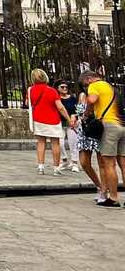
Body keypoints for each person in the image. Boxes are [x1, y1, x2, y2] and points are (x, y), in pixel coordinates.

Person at [81, 69, 123, 207]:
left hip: (109, 126)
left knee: (109, 164)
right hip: (122, 125)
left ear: (88, 79)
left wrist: (87, 113)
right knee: (123, 164)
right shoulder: (111, 87)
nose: (86, 88)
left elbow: (92, 99)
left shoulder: (94, 85)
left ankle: (114, 198)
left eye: (85, 85)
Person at [27, 68, 71, 174]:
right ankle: (56, 168)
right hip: (53, 120)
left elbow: (28, 103)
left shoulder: (30, 90)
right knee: (55, 143)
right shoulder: (52, 91)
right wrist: (68, 119)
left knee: (41, 142)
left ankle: (41, 167)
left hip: (38, 119)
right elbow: (60, 107)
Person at [76, 80, 105, 204]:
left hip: (97, 129)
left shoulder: (98, 95)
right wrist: (75, 116)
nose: (87, 87)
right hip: (85, 131)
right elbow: (78, 112)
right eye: (85, 85)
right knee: (84, 162)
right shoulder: (82, 96)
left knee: (102, 163)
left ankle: (104, 191)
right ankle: (99, 185)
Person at [56, 80, 81, 172]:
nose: (65, 89)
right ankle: (64, 160)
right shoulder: (56, 99)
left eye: (66, 87)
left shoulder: (73, 98)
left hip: (72, 124)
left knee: (73, 143)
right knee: (60, 143)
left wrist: (75, 116)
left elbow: (78, 110)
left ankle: (74, 162)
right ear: (57, 88)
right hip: (59, 123)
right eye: (62, 87)